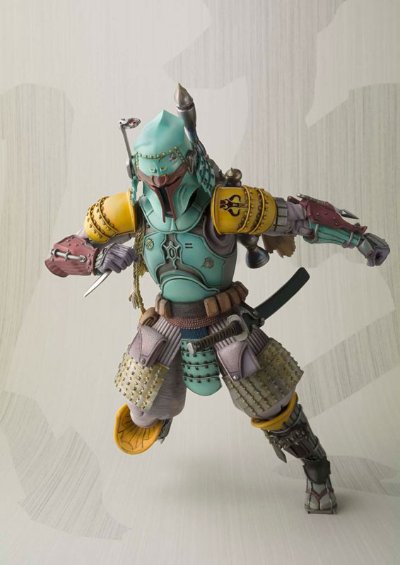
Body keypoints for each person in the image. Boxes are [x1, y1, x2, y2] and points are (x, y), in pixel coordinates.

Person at [45, 85, 390, 514]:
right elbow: (60, 254)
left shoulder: (226, 206)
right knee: (140, 410)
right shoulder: (129, 207)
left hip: (225, 320)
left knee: (271, 402)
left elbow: (299, 217)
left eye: (168, 177)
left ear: (187, 165)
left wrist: (357, 238)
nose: (160, 188)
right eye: (150, 178)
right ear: (138, 171)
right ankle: (163, 415)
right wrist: (96, 257)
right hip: (166, 323)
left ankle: (316, 467)